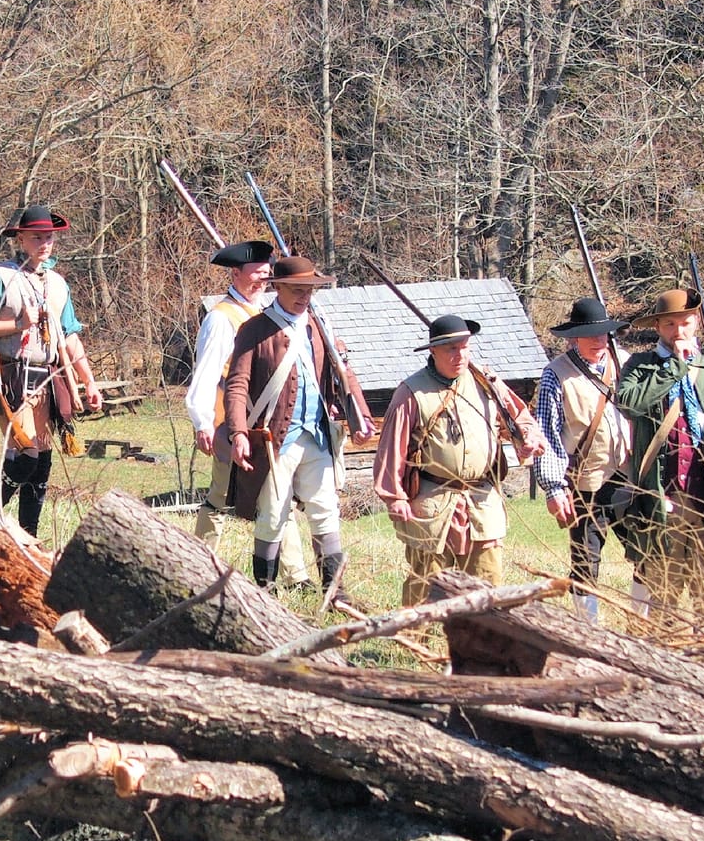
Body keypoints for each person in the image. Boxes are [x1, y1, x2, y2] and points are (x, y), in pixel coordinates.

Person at [222, 256, 373, 591]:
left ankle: (335, 593)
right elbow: (237, 384)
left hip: (317, 434)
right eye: (296, 289)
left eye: (309, 289)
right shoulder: (255, 329)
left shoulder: (320, 325)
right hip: (276, 439)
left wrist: (359, 415)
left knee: (325, 512)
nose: (304, 296)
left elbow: (344, 373)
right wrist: (237, 433)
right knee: (273, 516)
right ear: (277, 288)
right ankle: (265, 591)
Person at [373, 312, 543, 606]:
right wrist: (395, 497)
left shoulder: (486, 381)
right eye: (451, 348)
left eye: (464, 347)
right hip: (433, 503)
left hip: (482, 500)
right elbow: (391, 449)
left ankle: (482, 646)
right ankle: (414, 646)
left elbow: (520, 417)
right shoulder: (411, 392)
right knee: (427, 584)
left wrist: (528, 438)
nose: (460, 355)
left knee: (488, 584)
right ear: (433, 351)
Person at [616, 288, 704, 619]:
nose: (678, 331)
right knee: (663, 591)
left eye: (685, 322)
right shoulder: (641, 365)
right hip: (662, 495)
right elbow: (629, 403)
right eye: (669, 324)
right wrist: (674, 368)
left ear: (697, 321)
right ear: (658, 327)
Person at [183, 238, 316, 577]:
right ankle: (198, 565)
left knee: (278, 494)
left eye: (267, 272)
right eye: (256, 272)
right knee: (220, 497)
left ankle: (294, 573)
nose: (262, 277)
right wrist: (203, 422)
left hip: (269, 423)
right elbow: (209, 372)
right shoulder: (221, 318)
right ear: (236, 274)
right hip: (231, 421)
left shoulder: (271, 315)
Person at [0, 203, 101, 537]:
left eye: (49, 238)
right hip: (9, 376)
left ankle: (29, 536)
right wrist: (17, 323)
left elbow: (69, 337)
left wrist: (89, 382)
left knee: (41, 461)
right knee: (24, 456)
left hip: (47, 377)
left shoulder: (57, 284)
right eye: (37, 237)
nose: (45, 243)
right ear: (21, 239)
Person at [533, 297, 637, 621]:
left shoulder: (625, 363)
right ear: (573, 337)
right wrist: (553, 487)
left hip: (627, 476)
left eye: (603, 334)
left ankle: (645, 627)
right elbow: (547, 435)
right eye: (591, 335)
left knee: (648, 552)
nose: (598, 341)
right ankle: (587, 632)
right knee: (585, 562)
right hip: (584, 483)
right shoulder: (555, 375)